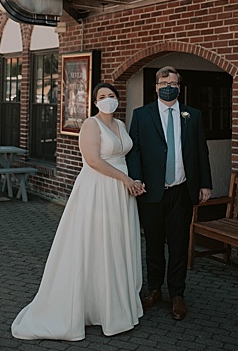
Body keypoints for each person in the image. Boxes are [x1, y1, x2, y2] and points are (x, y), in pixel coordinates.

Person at [13, 83, 144, 340]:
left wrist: (133, 180)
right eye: (102, 97)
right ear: (95, 102)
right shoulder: (90, 125)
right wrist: (124, 179)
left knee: (116, 244)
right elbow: (94, 161)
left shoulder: (121, 125)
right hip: (98, 189)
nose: (108, 100)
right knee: (95, 243)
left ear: (118, 100)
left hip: (120, 191)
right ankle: (88, 306)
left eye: (111, 96)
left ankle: (114, 305)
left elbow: (126, 156)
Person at [126, 67, 212, 321]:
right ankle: (154, 290)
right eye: (164, 82)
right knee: (153, 243)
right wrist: (136, 178)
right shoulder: (141, 115)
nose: (169, 86)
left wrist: (205, 183)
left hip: (181, 192)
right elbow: (135, 151)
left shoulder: (192, 115)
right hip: (151, 192)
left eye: (173, 83)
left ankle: (177, 294)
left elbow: (201, 152)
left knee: (178, 244)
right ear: (156, 86)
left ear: (179, 87)